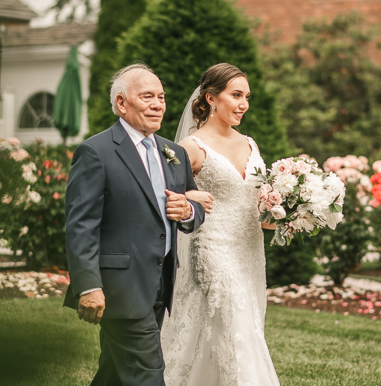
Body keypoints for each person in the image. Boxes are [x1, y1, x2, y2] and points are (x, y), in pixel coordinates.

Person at [63, 63, 210, 386]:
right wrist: (89, 286)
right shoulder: (96, 152)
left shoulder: (173, 152)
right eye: (147, 96)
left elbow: (193, 206)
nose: (158, 104)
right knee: (147, 374)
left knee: (114, 374)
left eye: (161, 97)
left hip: (160, 282)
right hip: (119, 287)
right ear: (121, 104)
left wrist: (187, 210)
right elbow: (81, 225)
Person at [161, 63, 281, 386]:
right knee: (235, 323)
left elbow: (258, 208)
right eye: (236, 95)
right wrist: (189, 199)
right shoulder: (191, 147)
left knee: (233, 326)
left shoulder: (251, 145)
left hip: (249, 249)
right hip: (213, 248)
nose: (243, 104)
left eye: (247, 97)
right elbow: (169, 198)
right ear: (211, 99)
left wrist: (285, 212)